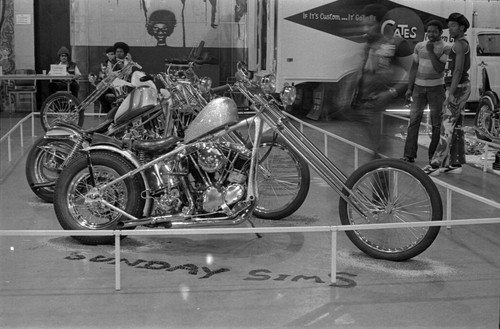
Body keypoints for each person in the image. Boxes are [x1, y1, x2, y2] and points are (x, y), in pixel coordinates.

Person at [352, 4, 412, 158]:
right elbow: (365, 71)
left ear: (382, 23)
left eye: (371, 24)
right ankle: (374, 177)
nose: (367, 28)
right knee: (371, 149)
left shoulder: (397, 43)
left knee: (379, 149)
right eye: (365, 24)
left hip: (382, 104)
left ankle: (382, 178)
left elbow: (413, 72)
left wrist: (390, 93)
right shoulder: (369, 44)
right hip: (365, 104)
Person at [423, 13, 471, 175]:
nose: (449, 29)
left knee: (447, 126)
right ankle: (456, 162)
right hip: (458, 86)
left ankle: (435, 164)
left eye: (453, 26)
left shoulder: (460, 45)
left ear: (462, 27)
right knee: (456, 126)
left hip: (457, 88)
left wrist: (450, 92)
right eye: (449, 25)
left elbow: (458, 70)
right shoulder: (459, 44)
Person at [401, 20, 450, 163]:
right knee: (413, 121)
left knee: (436, 124)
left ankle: (433, 157)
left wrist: (430, 51)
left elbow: (439, 68)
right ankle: (409, 155)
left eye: (434, 31)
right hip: (418, 88)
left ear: (441, 32)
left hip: (436, 89)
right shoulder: (419, 46)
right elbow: (414, 68)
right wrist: (409, 88)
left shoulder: (446, 48)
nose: (431, 34)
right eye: (428, 31)